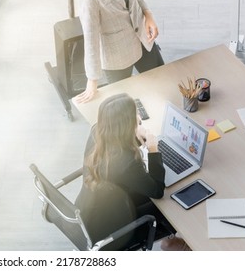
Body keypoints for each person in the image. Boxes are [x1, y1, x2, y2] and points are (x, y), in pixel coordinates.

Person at [75, 93, 188, 251]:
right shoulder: (126, 163)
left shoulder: (96, 131)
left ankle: (171, 240)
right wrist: (154, 149)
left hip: (92, 212)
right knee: (175, 203)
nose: (138, 115)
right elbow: (157, 190)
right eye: (134, 114)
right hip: (115, 230)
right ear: (125, 124)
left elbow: (118, 149)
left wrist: (134, 134)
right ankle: (176, 244)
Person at [73, 0, 165, 104]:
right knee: (123, 104)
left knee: (162, 83)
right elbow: (91, 36)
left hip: (142, 37)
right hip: (117, 53)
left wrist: (148, 15)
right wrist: (92, 79)